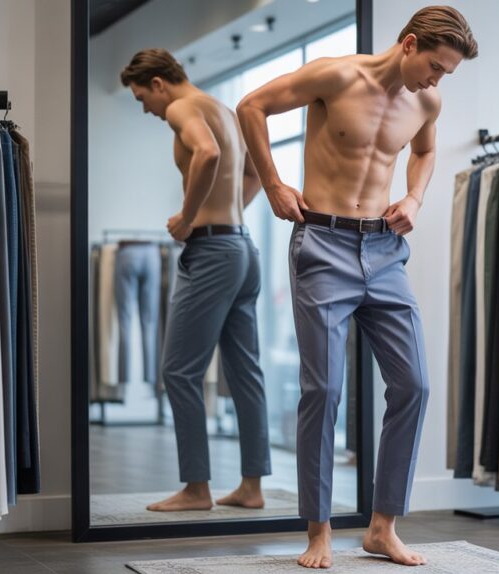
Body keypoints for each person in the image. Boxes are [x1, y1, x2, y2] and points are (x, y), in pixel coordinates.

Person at [237, 6, 478, 568]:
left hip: (385, 251)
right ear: (410, 43)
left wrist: (414, 197)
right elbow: (251, 107)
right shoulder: (336, 75)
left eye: (446, 73)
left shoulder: (426, 101)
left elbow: (423, 151)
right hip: (322, 243)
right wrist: (272, 183)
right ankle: (318, 530)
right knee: (324, 391)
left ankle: (381, 528)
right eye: (436, 67)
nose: (437, 80)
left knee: (414, 384)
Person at [120, 48, 272, 512]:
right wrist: (228, 217)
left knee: (178, 370)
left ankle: (196, 488)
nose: (146, 108)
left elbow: (205, 153)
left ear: (159, 83)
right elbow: (253, 174)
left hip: (211, 253)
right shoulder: (224, 110)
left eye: (142, 97)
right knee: (245, 372)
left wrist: (189, 218)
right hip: (243, 248)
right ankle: (252, 487)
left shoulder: (182, 108)